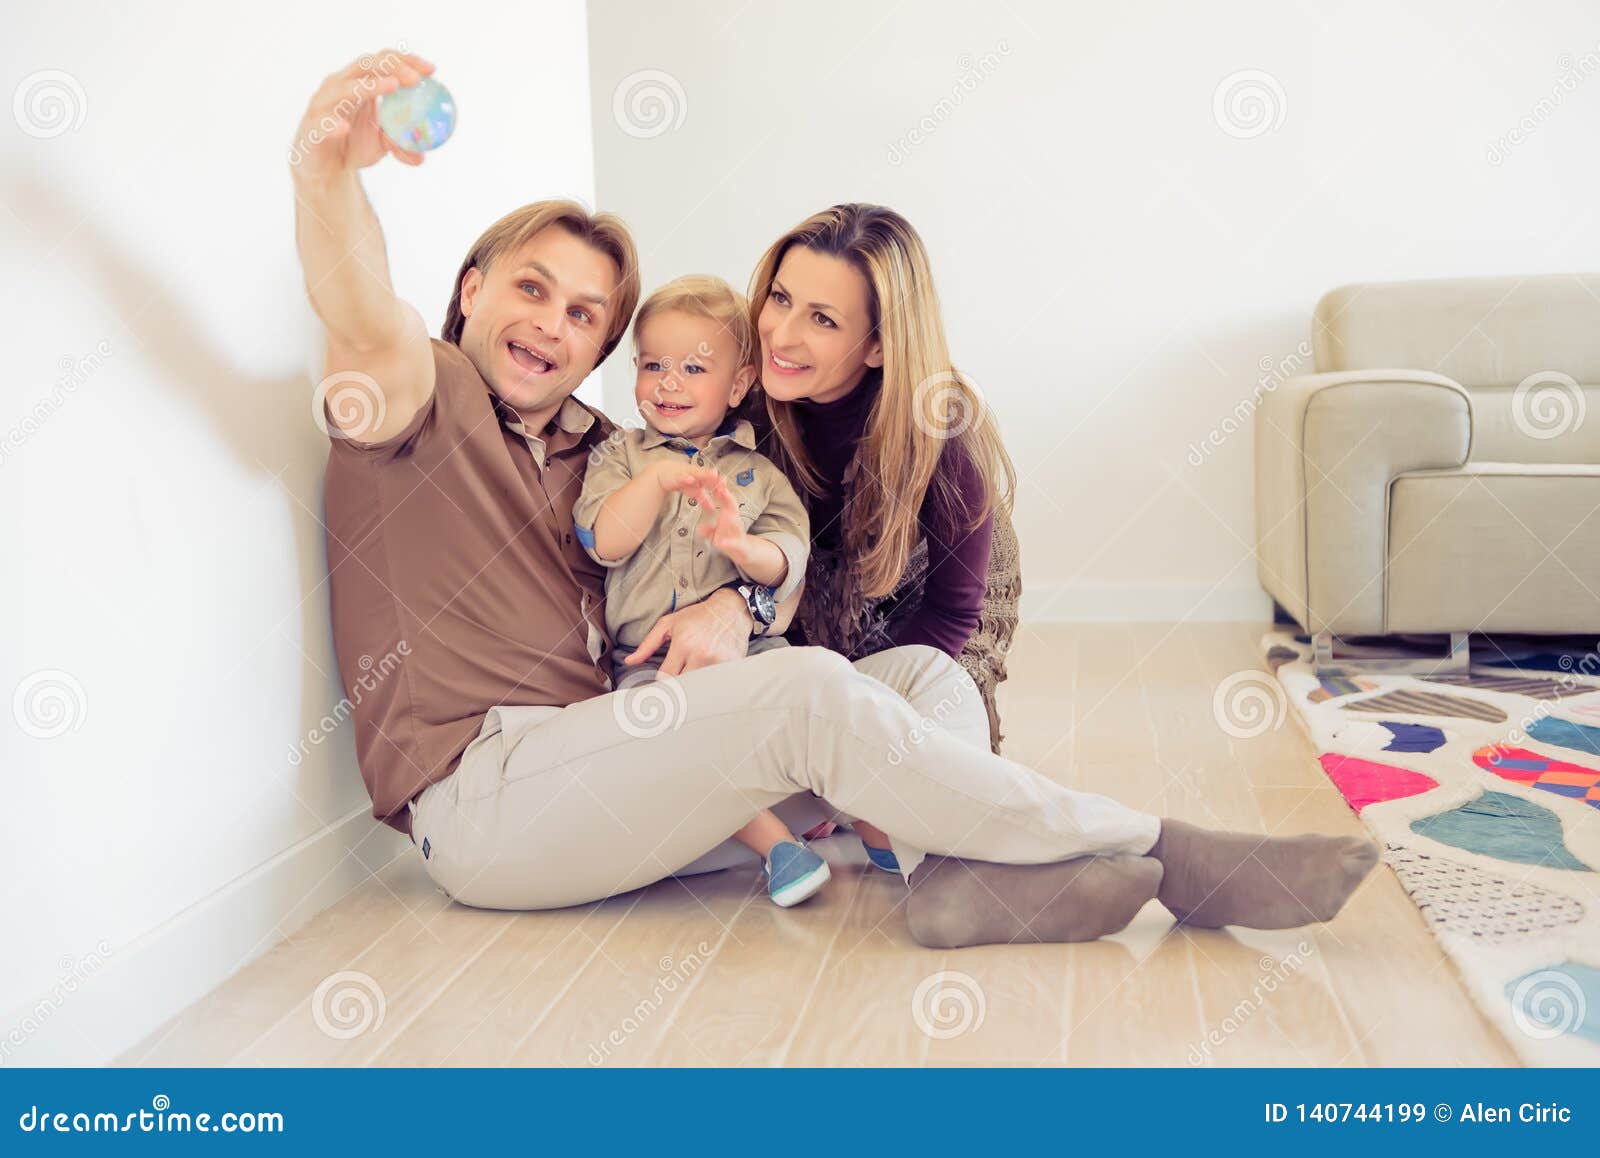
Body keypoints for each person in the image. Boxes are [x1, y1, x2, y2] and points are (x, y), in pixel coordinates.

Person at [294, 49, 1379, 949]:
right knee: (810, 691)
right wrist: (329, 173)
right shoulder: (417, 399)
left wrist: (740, 606)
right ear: (472, 291)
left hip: (618, 753)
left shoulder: (603, 441)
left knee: (915, 674)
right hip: (489, 803)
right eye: (530, 289)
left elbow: (794, 567)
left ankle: (957, 883)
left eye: (586, 315)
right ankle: (1156, 845)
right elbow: (358, 308)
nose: (553, 325)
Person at [571, 275, 828, 909]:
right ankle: (778, 847)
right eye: (653, 364)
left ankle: (875, 823)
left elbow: (791, 556)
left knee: (818, 690)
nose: (668, 382)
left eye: (692, 367)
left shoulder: (756, 473)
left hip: (749, 652)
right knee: (675, 744)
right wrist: (655, 481)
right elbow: (603, 540)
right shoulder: (619, 459)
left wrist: (744, 550)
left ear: (739, 384)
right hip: (651, 664)